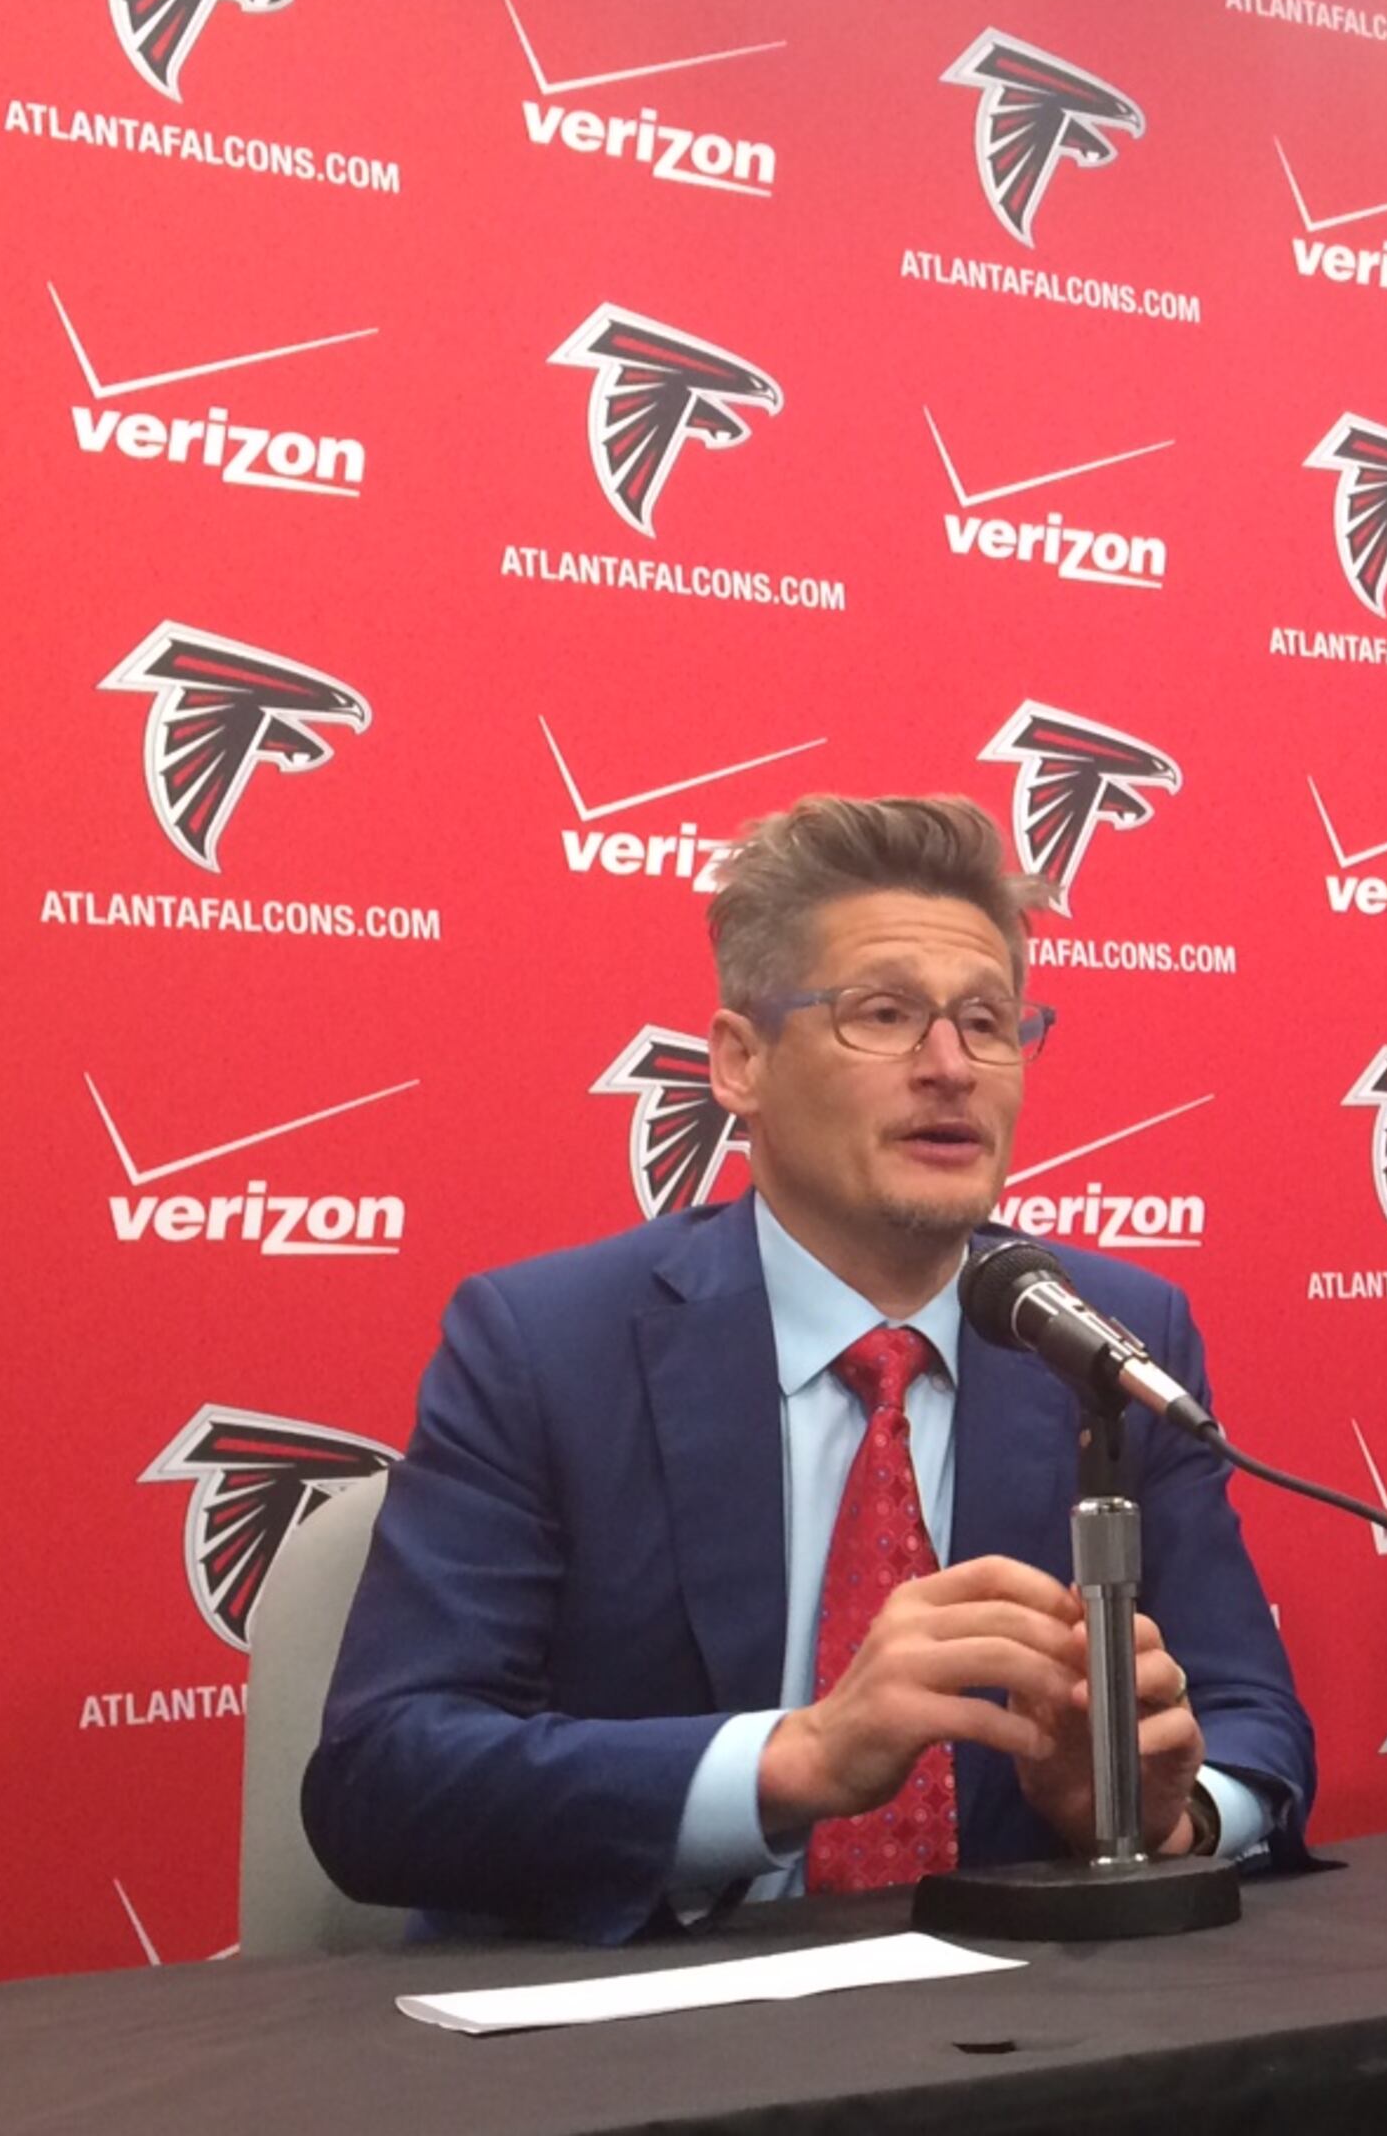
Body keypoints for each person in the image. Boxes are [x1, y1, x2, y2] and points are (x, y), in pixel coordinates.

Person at [306, 794, 1312, 1940]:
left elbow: (1254, 1720)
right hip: (656, 2009)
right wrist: (798, 1761)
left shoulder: (1108, 1340)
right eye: (884, 1014)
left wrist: (1157, 1819)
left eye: (988, 1022)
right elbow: (383, 1778)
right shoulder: (545, 1345)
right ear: (740, 1062)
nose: (950, 1067)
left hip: (1034, 2002)